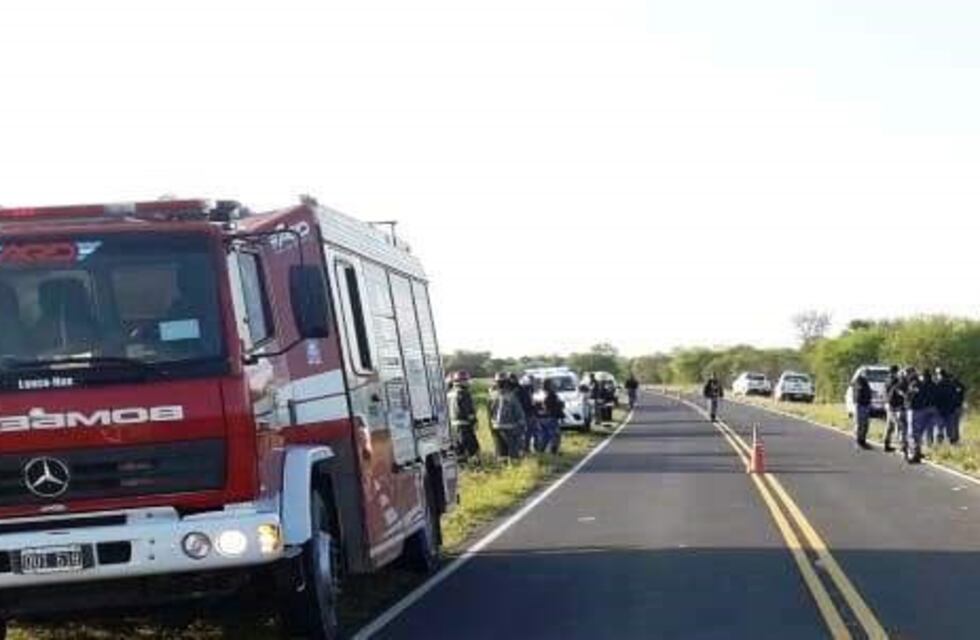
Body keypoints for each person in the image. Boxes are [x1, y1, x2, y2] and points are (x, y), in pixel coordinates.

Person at [489, 373, 526, 459]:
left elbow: (489, 413)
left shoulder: (492, 396)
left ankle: (502, 469)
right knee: (513, 451)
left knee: (501, 451)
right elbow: (519, 413)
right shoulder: (511, 396)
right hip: (510, 428)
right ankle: (514, 468)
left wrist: (491, 426)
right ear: (507, 383)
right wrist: (522, 425)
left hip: (496, 427)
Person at [448, 371, 480, 461]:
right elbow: (468, 412)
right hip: (464, 426)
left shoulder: (449, 393)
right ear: (461, 381)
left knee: (459, 449)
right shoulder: (464, 393)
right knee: (473, 449)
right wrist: (474, 422)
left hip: (453, 426)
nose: (468, 382)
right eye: (466, 380)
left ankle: (463, 467)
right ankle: (476, 468)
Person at [936, 368, 966, 445]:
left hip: (941, 409)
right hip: (951, 408)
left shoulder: (938, 384)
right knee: (951, 426)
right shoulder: (952, 384)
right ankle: (952, 440)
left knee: (941, 426)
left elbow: (936, 396)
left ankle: (942, 439)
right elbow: (957, 395)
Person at [905, 368, 927, 463]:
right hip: (921, 410)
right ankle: (917, 452)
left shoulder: (913, 385)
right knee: (917, 433)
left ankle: (913, 454)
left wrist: (907, 398)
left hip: (913, 410)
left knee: (912, 433)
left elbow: (910, 397)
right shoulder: (921, 384)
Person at [539, 378, 565, 454]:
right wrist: (560, 404)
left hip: (545, 417)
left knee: (546, 435)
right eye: (552, 384)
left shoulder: (544, 393)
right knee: (555, 434)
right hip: (551, 417)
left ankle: (542, 450)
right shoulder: (551, 394)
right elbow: (553, 405)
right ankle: (553, 450)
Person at [883, 366, 906, 453]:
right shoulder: (895, 380)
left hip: (888, 404)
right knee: (898, 425)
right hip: (894, 405)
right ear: (895, 372)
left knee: (889, 426)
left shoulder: (887, 380)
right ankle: (901, 445)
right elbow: (898, 390)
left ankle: (886, 444)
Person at [517, 375, 539, 454]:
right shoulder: (524, 392)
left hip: (529, 414)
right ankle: (526, 449)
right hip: (527, 414)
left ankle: (527, 448)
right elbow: (527, 404)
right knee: (527, 433)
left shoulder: (527, 391)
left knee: (530, 432)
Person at [852, 373, 872, 450]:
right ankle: (858, 442)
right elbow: (858, 394)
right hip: (860, 405)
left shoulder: (866, 383)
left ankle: (863, 441)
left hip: (866, 405)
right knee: (859, 424)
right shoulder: (858, 382)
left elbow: (868, 393)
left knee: (865, 425)